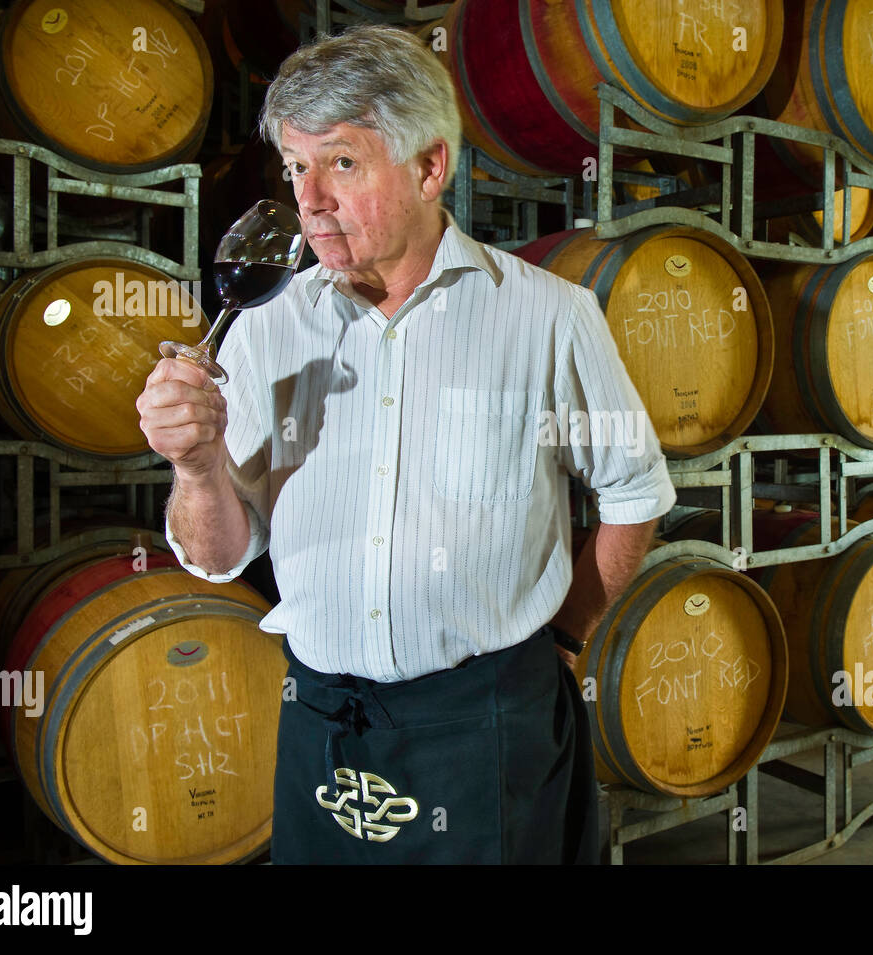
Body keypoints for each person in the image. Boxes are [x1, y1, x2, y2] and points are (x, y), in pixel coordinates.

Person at [135, 24, 676, 864]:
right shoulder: (262, 327)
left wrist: (566, 638)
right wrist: (195, 468)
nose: (308, 198)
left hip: (489, 724)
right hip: (324, 722)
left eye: (342, 163)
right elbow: (218, 555)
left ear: (430, 168)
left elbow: (634, 493)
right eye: (294, 167)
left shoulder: (547, 317)